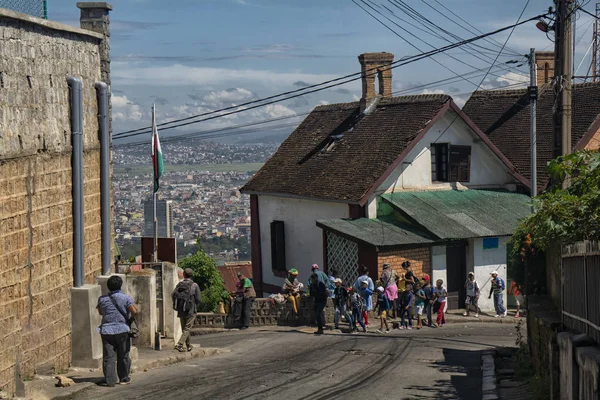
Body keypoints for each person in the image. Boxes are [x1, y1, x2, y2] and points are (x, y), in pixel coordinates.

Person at [97, 275, 137, 387]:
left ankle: (110, 380)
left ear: (108, 286)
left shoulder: (102, 299)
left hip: (106, 330)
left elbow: (100, 312)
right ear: (120, 285)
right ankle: (124, 378)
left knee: (109, 356)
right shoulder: (126, 298)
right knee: (123, 354)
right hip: (122, 330)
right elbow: (134, 311)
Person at [172, 268, 202, 352]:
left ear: (184, 275)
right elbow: (199, 299)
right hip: (191, 310)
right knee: (187, 328)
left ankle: (188, 345)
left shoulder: (179, 284)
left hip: (181, 309)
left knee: (184, 328)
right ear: (191, 275)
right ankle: (179, 344)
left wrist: (176, 304)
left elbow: (173, 294)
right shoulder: (194, 285)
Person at [309, 270, 329, 334]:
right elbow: (311, 293)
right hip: (316, 300)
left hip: (322, 301)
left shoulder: (320, 284)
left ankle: (320, 329)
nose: (312, 279)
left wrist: (317, 294)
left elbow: (323, 293)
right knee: (317, 315)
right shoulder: (312, 285)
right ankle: (319, 329)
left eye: (313, 278)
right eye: (312, 278)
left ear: (316, 278)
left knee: (318, 313)